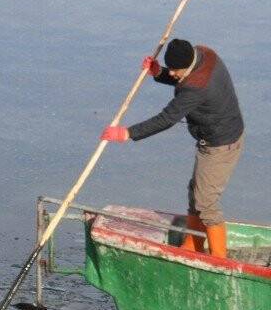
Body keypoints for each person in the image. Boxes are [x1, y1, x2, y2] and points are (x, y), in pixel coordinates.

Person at [101, 39, 244, 258]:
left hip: (221, 145)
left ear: (187, 65)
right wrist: (160, 72)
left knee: (205, 202)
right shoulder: (206, 54)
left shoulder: (196, 88)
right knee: (195, 193)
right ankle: (193, 245)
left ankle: (219, 260)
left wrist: (127, 133)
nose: (174, 74)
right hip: (216, 138)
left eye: (176, 71)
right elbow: (185, 77)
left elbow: (167, 119)